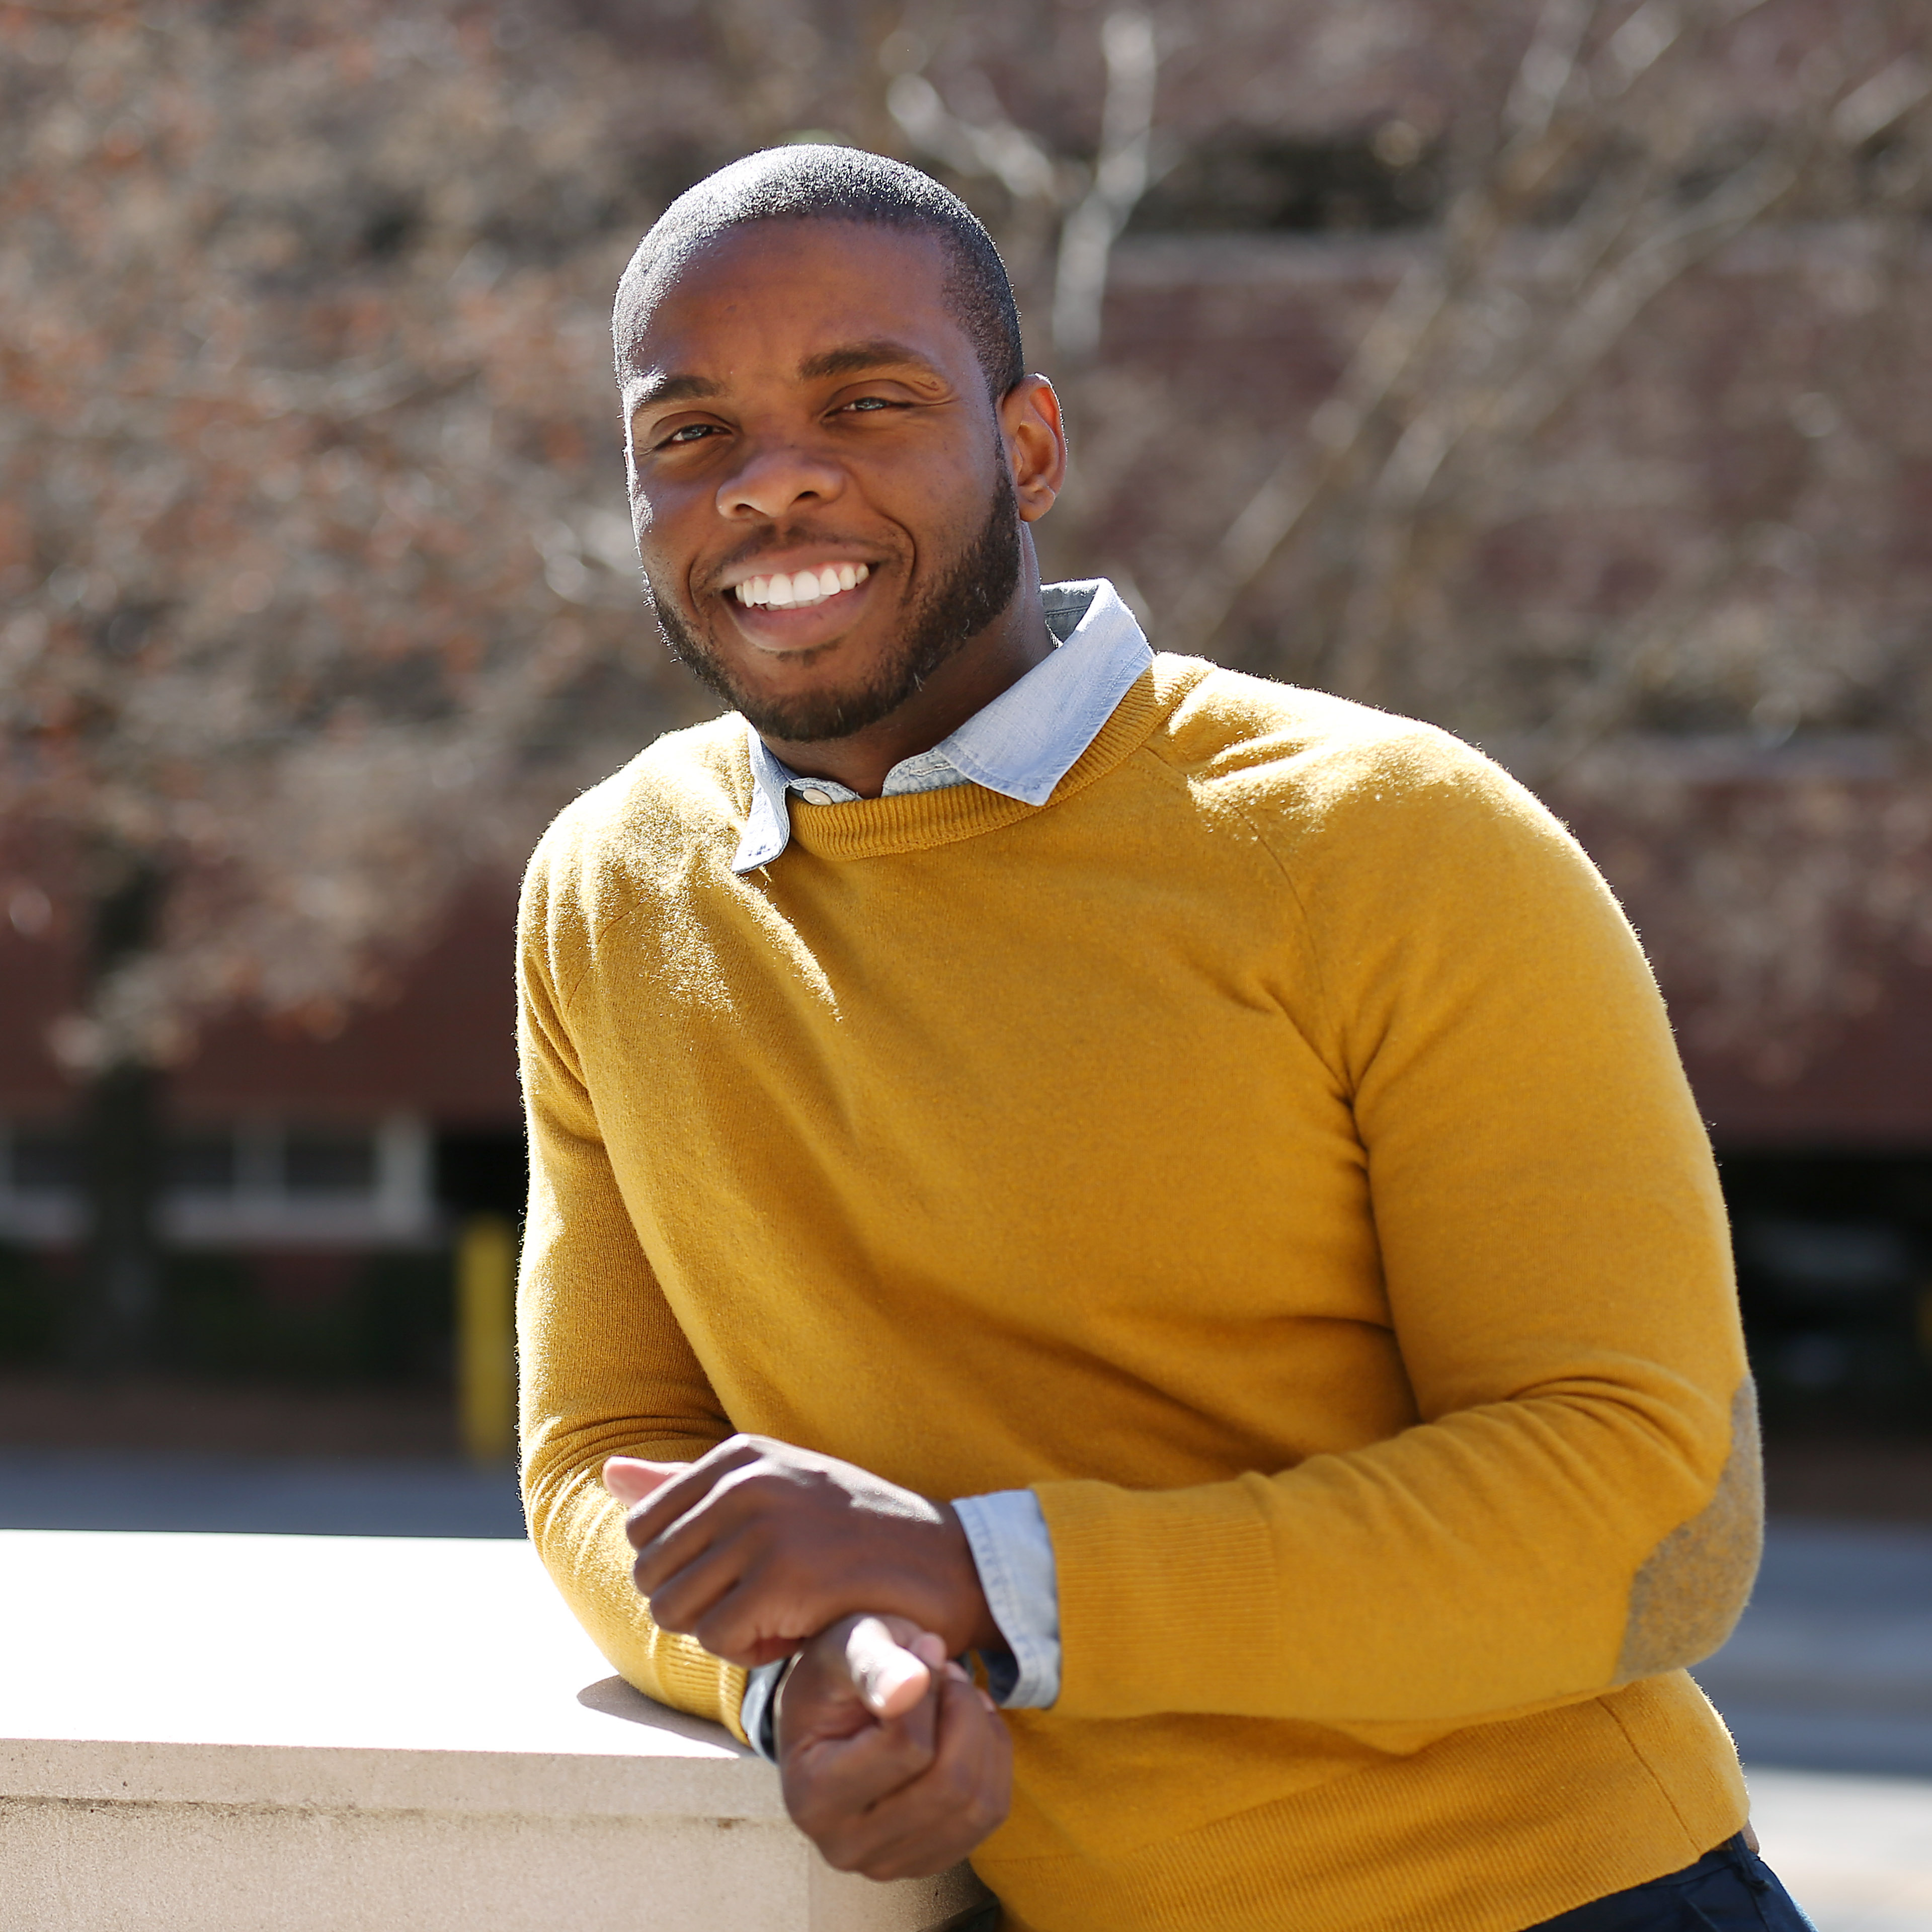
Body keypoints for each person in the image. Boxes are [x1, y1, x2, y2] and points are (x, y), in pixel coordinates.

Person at [517, 144, 1812, 1932]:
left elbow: (1644, 1511)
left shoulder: (1390, 837)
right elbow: (610, 1457)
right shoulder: (609, 889)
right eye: (691, 434)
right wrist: (802, 1676)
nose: (772, 480)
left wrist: (982, 1577)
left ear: (1030, 447)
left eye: (868, 401)